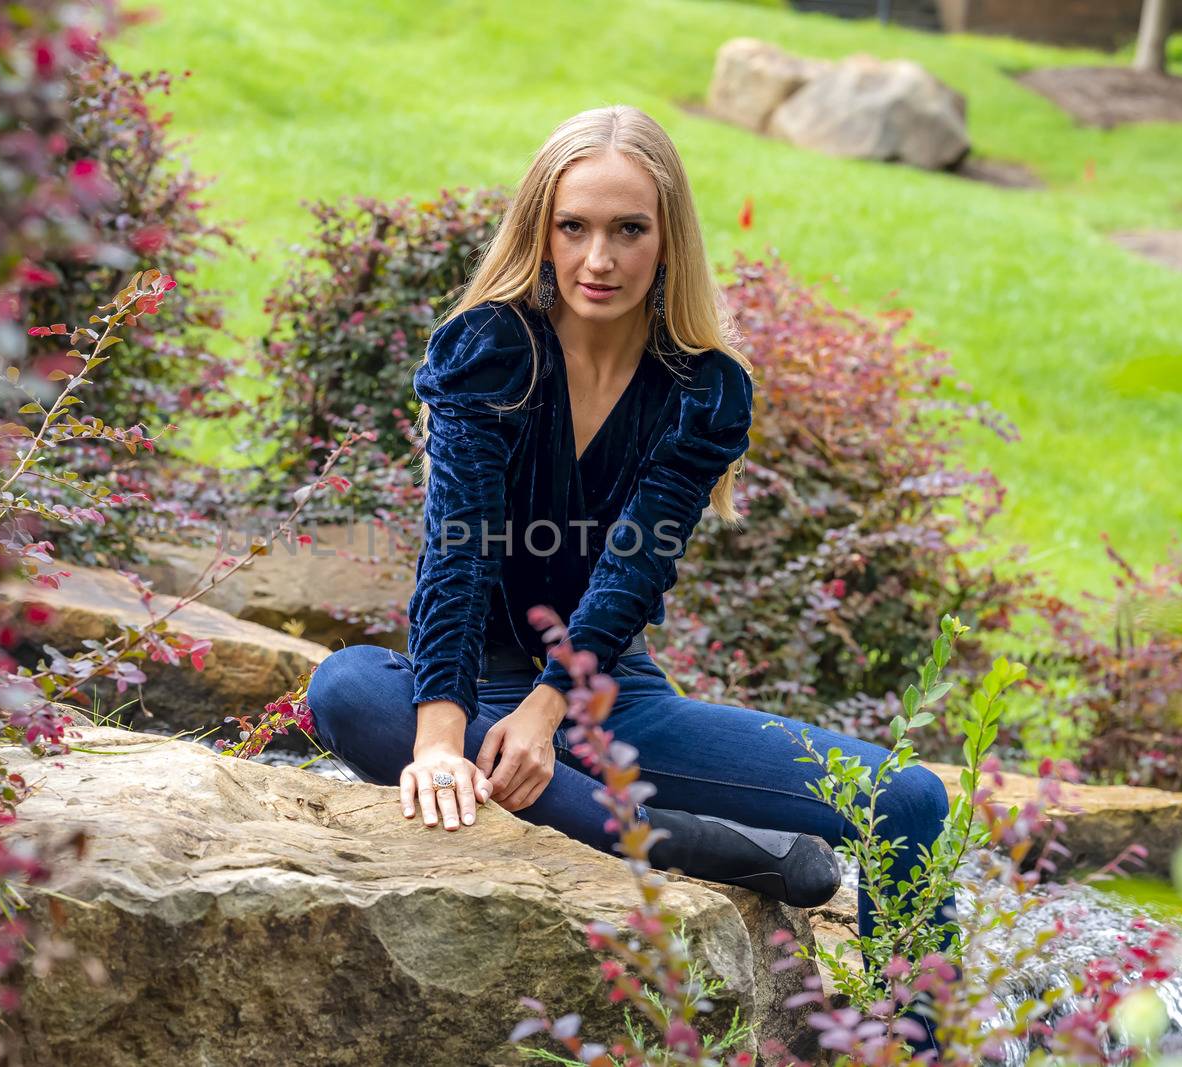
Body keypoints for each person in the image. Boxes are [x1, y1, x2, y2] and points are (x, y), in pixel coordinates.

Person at [305, 104, 955, 1053]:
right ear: (542, 229)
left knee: (909, 801)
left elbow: (631, 572)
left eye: (627, 230)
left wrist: (545, 711)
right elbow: (458, 550)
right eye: (574, 227)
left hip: (608, 696)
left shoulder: (703, 389)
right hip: (459, 684)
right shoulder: (490, 350)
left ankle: (911, 1041)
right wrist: (442, 736)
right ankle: (691, 844)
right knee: (347, 687)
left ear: (667, 240)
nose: (597, 258)